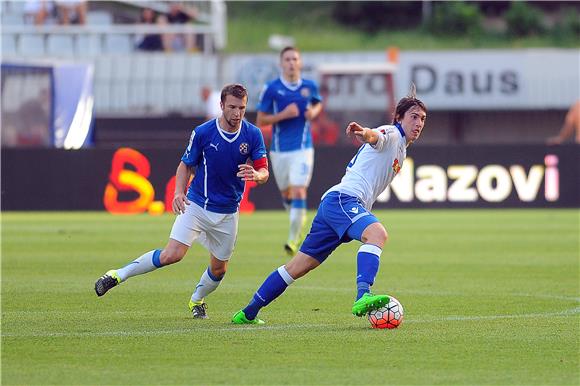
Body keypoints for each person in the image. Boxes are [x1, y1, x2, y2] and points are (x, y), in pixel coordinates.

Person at [232, 90, 427, 325]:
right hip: (343, 201)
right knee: (377, 234)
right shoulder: (393, 133)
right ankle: (363, 295)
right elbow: (376, 136)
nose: (418, 123)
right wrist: (364, 133)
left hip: (334, 205)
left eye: (422, 119)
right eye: (413, 116)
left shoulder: (402, 148)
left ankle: (248, 312)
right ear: (399, 118)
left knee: (297, 267)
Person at [95, 84, 270, 319]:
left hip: (228, 212)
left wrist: (258, 176)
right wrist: (179, 193)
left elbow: (263, 171)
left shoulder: (252, 134)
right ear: (221, 106)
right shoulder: (203, 132)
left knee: (219, 270)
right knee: (172, 255)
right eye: (232, 107)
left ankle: (196, 301)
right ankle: (117, 275)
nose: (237, 113)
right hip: (196, 205)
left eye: (242, 108)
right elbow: (185, 165)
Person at [256, 46, 323, 256]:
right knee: (287, 194)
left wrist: (313, 111)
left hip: (303, 149)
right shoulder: (272, 88)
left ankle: (294, 239)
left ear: (300, 62)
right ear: (281, 63)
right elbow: (260, 120)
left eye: (295, 59)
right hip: (278, 150)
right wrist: (283, 115)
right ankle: (298, 226)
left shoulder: (309, 86)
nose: (291, 63)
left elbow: (317, 104)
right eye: (287, 59)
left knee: (298, 191)